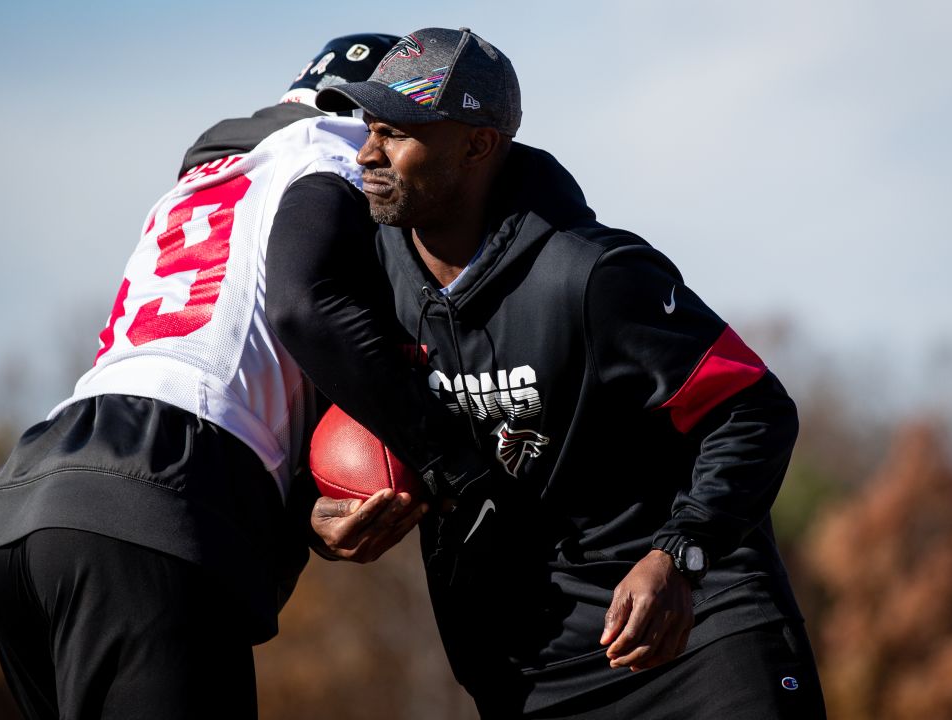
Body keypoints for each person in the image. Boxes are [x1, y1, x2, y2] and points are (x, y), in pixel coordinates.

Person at [309, 27, 828, 719]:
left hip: (696, 643)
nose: (367, 153)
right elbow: (329, 439)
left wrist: (681, 557)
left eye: (396, 132)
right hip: (530, 675)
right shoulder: (372, 288)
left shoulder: (591, 275)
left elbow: (755, 408)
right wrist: (320, 522)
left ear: (477, 144)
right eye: (368, 127)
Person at [0, 32, 474, 719]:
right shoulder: (329, 146)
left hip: (34, 499)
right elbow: (305, 305)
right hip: (154, 499)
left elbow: (234, 359)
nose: (384, 149)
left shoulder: (203, 181)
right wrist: (454, 459)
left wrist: (306, 517)